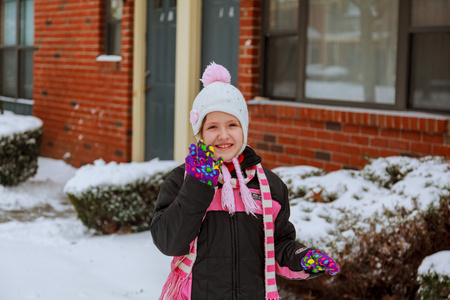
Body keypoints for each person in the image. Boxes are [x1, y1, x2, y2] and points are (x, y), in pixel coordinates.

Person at [150, 62, 339, 300]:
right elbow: (169, 243)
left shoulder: (268, 186)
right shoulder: (182, 180)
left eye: (232, 124)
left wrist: (303, 258)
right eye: (212, 127)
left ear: (244, 129)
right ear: (200, 133)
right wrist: (199, 184)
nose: (223, 135)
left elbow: (278, 244)